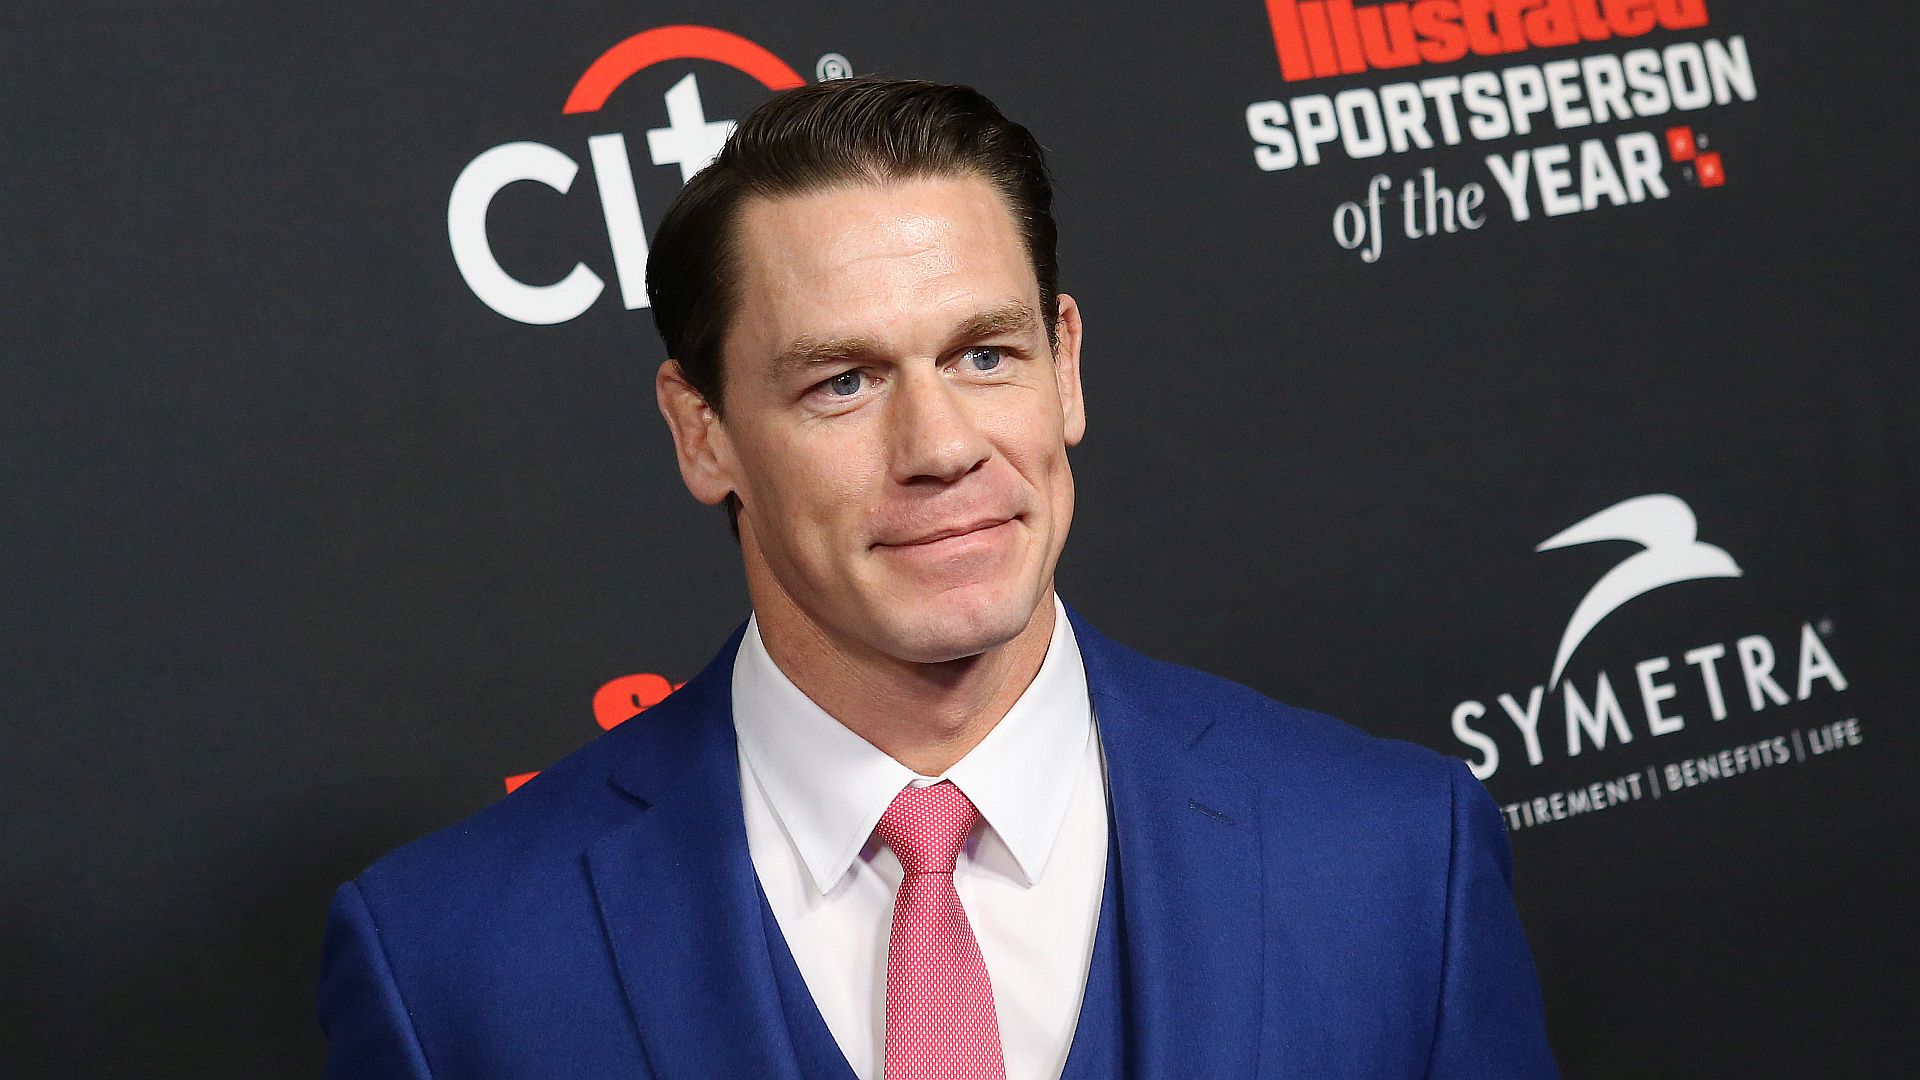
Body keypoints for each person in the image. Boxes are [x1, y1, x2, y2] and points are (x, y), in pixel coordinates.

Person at [317, 76, 1558, 1079]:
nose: (942, 448)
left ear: (1065, 366)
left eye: (984, 355)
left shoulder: (1396, 856)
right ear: (703, 434)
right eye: (842, 382)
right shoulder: (448, 962)